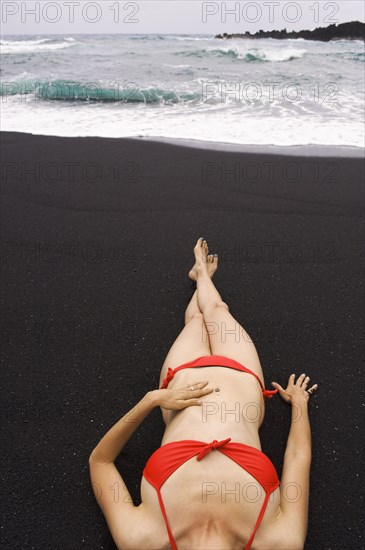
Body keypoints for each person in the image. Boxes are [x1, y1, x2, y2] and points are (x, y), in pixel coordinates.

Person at [89, 237, 318, 550]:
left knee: (198, 319)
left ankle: (201, 275)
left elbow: (100, 462)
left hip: (182, 376)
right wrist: (299, 405)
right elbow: (296, 457)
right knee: (216, 309)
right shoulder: (279, 541)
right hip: (241, 372)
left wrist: (152, 400)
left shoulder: (140, 537)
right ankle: (202, 277)